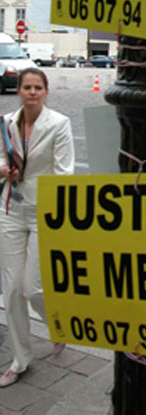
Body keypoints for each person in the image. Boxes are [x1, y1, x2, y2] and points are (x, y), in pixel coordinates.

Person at [0, 69, 75, 387]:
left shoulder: (58, 124)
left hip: (42, 211)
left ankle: (60, 326)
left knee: (33, 287)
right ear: (18, 91)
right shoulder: (5, 123)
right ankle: (20, 359)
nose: (31, 92)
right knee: (12, 289)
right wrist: (4, 169)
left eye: (37, 87)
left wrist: (59, 211)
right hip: (10, 209)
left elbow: (64, 172)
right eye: (26, 87)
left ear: (46, 91)